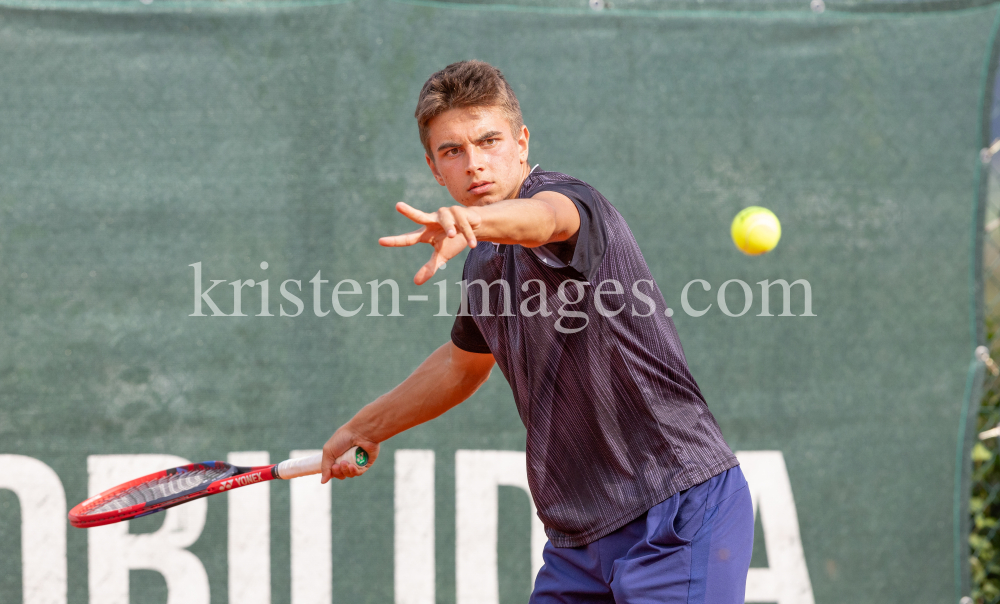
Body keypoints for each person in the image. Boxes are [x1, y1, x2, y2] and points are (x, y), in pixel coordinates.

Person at [320, 59, 753, 603]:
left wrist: (471, 222)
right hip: (578, 540)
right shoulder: (482, 266)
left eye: (489, 141)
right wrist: (365, 427)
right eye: (453, 151)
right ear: (435, 169)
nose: (475, 164)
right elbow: (462, 364)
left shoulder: (571, 202)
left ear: (521, 143)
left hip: (674, 509)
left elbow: (547, 219)